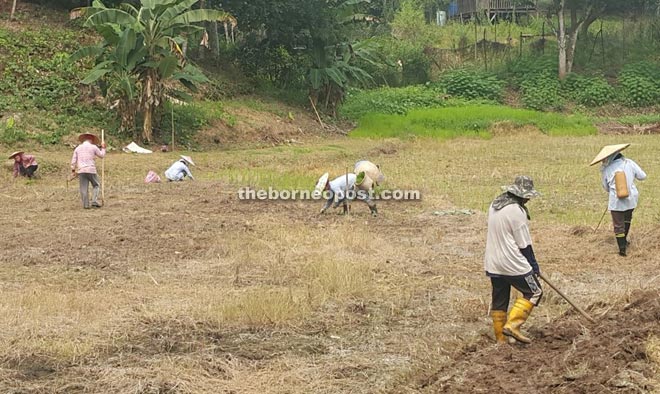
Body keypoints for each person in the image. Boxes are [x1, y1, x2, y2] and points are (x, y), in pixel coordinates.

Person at [484, 175, 543, 344]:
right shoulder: (517, 211)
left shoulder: (495, 204)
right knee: (535, 291)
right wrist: (533, 266)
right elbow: (524, 244)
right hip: (512, 263)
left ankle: (501, 340)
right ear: (523, 195)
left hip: (493, 262)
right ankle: (512, 326)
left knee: (500, 299)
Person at [590, 144, 647, 257]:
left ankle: (622, 249)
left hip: (616, 201)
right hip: (631, 198)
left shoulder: (607, 169)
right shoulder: (629, 162)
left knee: (618, 225)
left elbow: (606, 187)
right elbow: (642, 176)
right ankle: (625, 241)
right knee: (627, 219)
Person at [71, 133, 106, 209]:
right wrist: (103, 148)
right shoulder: (93, 147)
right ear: (92, 139)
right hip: (91, 169)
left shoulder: (78, 148)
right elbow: (102, 155)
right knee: (96, 185)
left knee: (83, 188)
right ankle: (94, 201)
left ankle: (86, 205)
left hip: (81, 170)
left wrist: (73, 170)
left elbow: (73, 160)